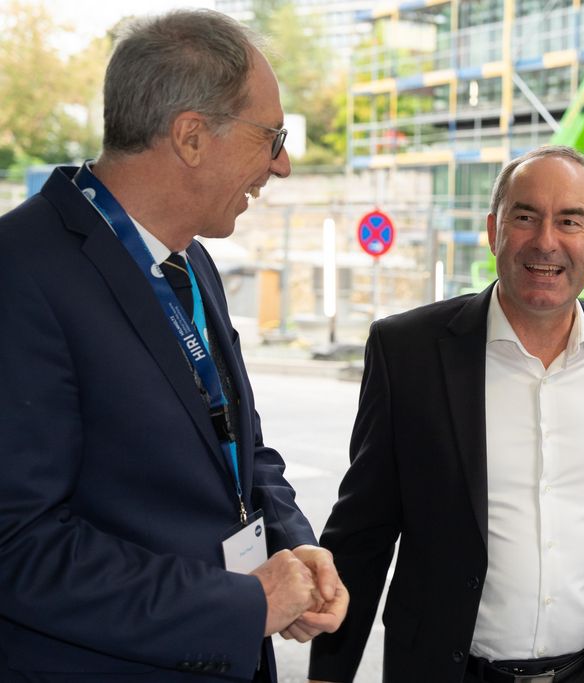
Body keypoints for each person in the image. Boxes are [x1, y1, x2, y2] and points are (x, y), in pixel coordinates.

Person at [0, 10, 348, 681]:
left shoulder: (189, 262)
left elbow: (237, 448)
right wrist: (241, 603)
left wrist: (295, 547)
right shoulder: (21, 272)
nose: (283, 163)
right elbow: (18, 545)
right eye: (271, 136)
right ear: (191, 136)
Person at [308, 146, 584, 682]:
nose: (546, 240)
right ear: (494, 229)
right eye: (525, 217)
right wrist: (325, 674)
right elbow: (363, 530)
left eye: (570, 221)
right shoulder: (408, 351)